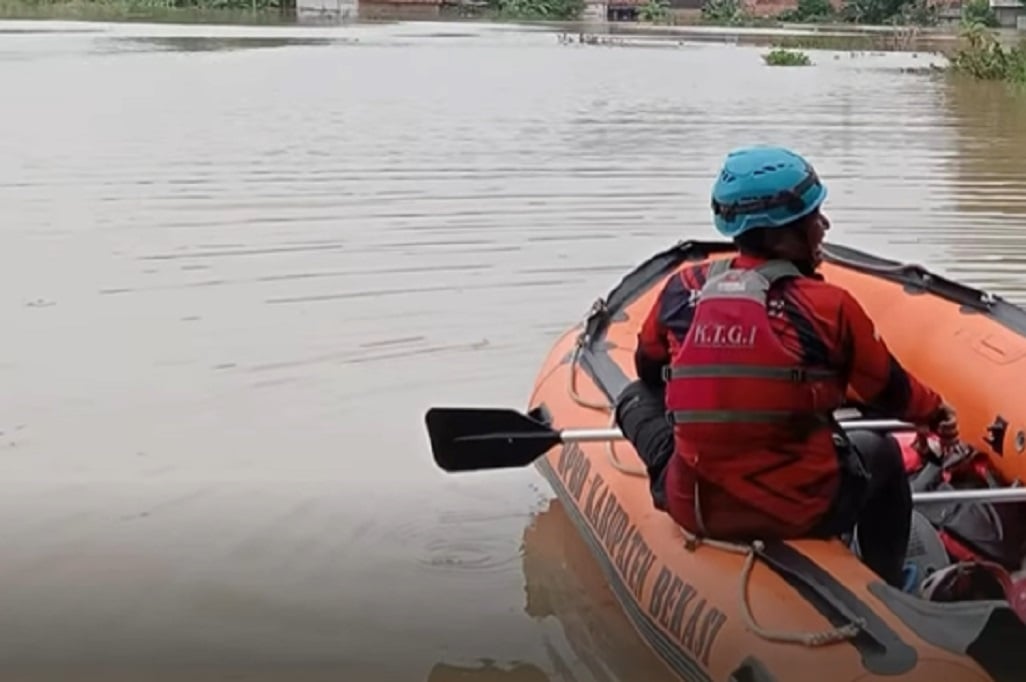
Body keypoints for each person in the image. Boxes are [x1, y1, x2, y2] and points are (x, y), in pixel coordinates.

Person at [614, 145, 959, 589]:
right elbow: (890, 391)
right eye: (816, 217)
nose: (825, 227)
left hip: (695, 505)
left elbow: (648, 369)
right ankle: (887, 581)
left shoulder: (682, 289)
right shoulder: (828, 305)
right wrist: (938, 416)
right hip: (804, 509)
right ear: (782, 235)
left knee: (635, 397)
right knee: (884, 454)